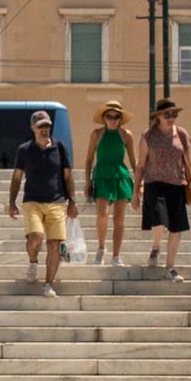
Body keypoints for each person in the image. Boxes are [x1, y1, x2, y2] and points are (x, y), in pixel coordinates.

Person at [7, 109, 78, 297]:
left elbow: (68, 176)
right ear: (33, 128)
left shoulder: (60, 148)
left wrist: (72, 201)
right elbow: (16, 178)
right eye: (40, 126)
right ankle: (32, 261)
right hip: (32, 201)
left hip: (56, 201)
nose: (44, 129)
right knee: (36, 236)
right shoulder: (24, 150)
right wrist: (11, 202)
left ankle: (48, 284)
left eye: (46, 126)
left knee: (54, 244)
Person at [139, 97, 191, 280]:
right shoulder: (148, 136)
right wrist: (135, 192)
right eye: (167, 114)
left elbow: (188, 161)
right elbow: (141, 165)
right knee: (159, 220)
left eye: (174, 114)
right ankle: (156, 246)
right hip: (154, 183)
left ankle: (170, 268)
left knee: (176, 228)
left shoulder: (181, 134)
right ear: (158, 116)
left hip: (177, 184)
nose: (171, 117)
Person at [84, 102, 138, 268]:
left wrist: (139, 183)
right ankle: (101, 248)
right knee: (102, 215)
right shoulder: (96, 134)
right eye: (110, 116)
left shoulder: (126, 134)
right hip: (101, 175)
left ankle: (116, 256)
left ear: (121, 119)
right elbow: (89, 159)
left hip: (120, 175)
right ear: (104, 118)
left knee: (119, 219)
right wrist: (88, 181)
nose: (113, 119)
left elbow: (133, 160)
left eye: (116, 116)